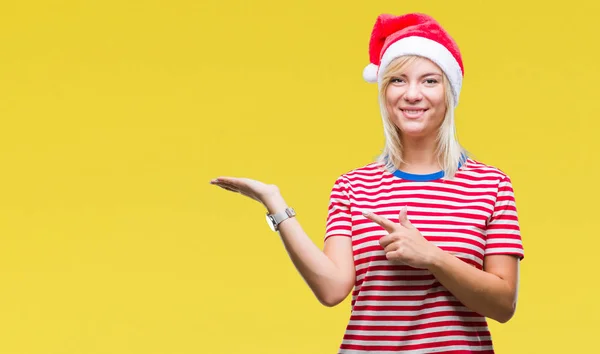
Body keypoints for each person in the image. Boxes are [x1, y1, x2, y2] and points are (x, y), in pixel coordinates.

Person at [210, 12, 524, 354]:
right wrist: (275, 204)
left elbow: (503, 305)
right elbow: (332, 290)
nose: (413, 94)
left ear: (450, 91)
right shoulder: (354, 187)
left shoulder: (490, 185)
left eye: (430, 81)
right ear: (384, 92)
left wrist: (432, 256)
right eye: (398, 80)